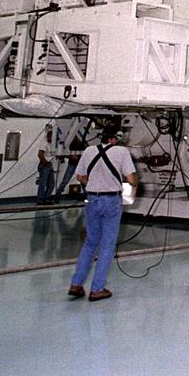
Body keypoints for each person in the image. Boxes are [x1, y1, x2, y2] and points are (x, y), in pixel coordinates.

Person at [67, 128, 138, 301]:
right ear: (114, 139)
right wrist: (135, 183)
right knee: (107, 245)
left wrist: (96, 183)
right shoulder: (122, 151)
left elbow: (80, 177)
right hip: (111, 201)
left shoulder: (89, 150)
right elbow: (131, 179)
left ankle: (76, 284)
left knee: (90, 243)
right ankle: (97, 289)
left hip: (92, 200)